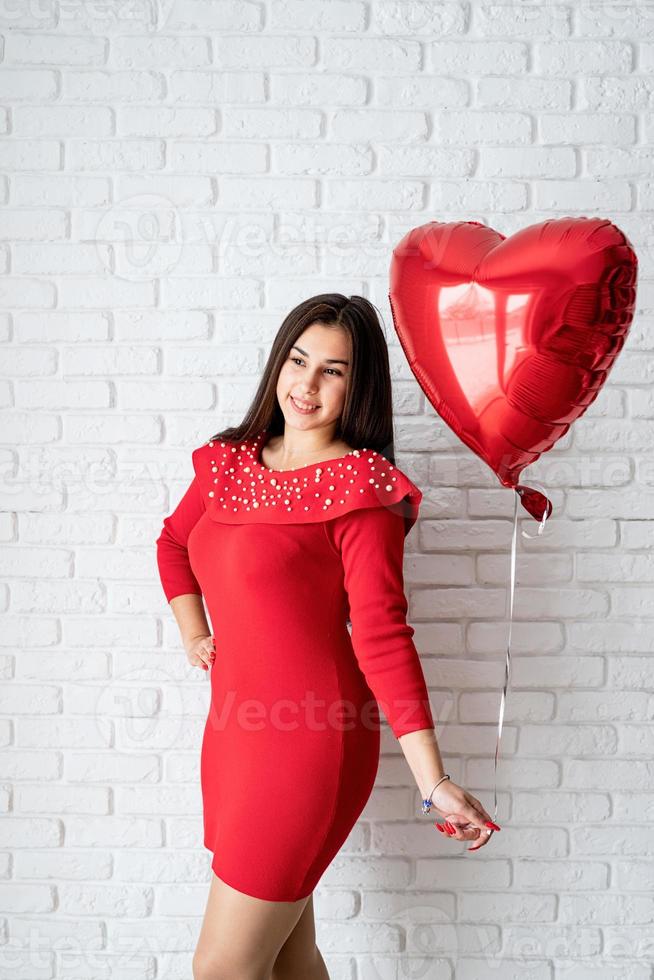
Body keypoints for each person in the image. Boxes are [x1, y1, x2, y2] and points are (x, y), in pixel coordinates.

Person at [155, 294, 500, 980]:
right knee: (287, 958)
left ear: (359, 384)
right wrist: (196, 632)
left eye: (333, 371)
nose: (307, 385)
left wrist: (434, 783)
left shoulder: (363, 489)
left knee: (221, 968)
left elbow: (382, 637)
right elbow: (172, 544)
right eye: (298, 359)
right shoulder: (229, 463)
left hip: (311, 740)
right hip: (233, 732)